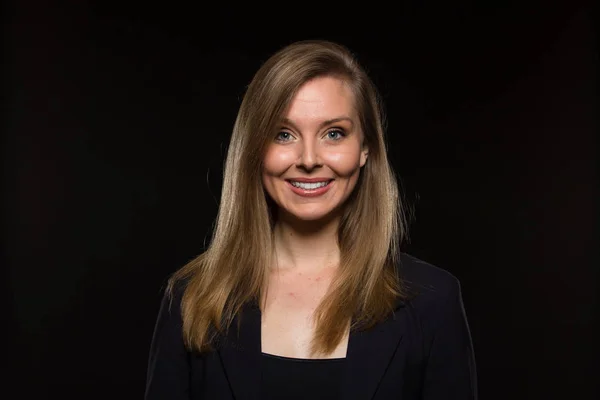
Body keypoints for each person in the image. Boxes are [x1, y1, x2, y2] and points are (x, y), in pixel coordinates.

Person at [145, 39, 477, 400]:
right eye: (283, 134)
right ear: (255, 149)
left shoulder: (433, 301)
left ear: (365, 149)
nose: (308, 159)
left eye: (333, 133)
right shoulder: (192, 297)